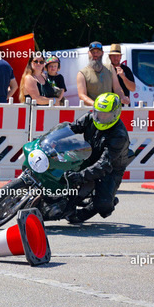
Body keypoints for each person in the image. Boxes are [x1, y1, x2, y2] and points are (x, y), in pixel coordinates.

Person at [64, 93, 130, 223]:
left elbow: (104, 164)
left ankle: (104, 203)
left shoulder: (119, 135)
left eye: (106, 115)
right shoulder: (89, 118)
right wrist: (50, 138)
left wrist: (81, 176)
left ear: (115, 114)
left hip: (111, 167)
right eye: (99, 113)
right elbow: (70, 128)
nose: (101, 117)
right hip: (89, 156)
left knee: (103, 205)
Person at [76, 42, 129, 106]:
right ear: (89, 53)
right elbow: (82, 95)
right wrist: (96, 105)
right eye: (93, 52)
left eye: (98, 52)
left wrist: (122, 97)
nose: (95, 54)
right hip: (91, 110)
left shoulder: (110, 68)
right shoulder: (82, 73)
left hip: (108, 109)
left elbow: (117, 88)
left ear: (102, 53)